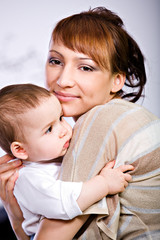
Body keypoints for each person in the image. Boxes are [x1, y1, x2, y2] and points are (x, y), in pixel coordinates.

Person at [0, 6, 160, 240]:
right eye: (55, 61)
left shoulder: (100, 121)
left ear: (117, 81)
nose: (63, 80)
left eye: (85, 67)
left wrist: (15, 216)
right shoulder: (122, 115)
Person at [0, 83, 133, 238]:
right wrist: (104, 183)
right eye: (49, 129)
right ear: (21, 150)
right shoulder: (27, 178)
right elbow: (63, 203)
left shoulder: (49, 157)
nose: (63, 130)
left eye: (61, 118)